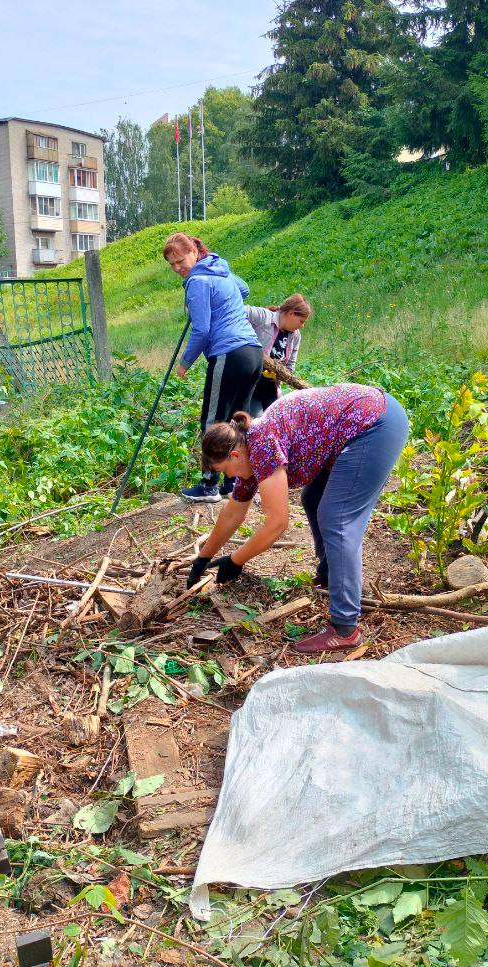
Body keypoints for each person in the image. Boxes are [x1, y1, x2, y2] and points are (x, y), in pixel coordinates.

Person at [185, 384, 408, 654]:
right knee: (313, 498)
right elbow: (233, 511)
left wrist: (236, 560)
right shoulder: (248, 452)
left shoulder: (262, 445)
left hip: (374, 424)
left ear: (233, 455)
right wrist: (204, 558)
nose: (229, 477)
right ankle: (331, 574)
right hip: (357, 426)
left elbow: (277, 523)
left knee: (337, 519)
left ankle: (345, 628)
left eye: (225, 471)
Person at [164, 232, 264, 502]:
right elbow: (244, 289)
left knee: (213, 421)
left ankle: (209, 485)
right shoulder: (220, 270)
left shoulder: (196, 280)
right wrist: (220, 300)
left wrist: (184, 363)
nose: (177, 268)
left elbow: (203, 331)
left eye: (180, 260)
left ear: (194, 253)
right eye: (172, 264)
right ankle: (234, 482)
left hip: (227, 354)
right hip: (253, 354)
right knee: (236, 421)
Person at [246, 294, 312, 414]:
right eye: (301, 321)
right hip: (249, 384)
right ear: (291, 313)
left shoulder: (295, 336)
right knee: (253, 420)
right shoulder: (264, 317)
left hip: (270, 387)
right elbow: (238, 311)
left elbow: (290, 365)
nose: (302, 326)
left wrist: (284, 373)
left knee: (273, 419)